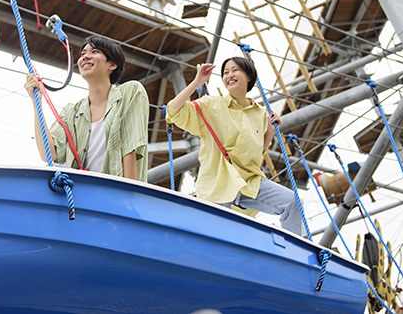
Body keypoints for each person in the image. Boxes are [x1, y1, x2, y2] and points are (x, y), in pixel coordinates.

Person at [165, 57, 304, 236]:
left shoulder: (261, 114)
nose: (229, 75)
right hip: (217, 183)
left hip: (249, 182)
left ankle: (294, 249)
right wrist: (197, 82)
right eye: (225, 72)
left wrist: (270, 132)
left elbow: (255, 152)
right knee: (220, 237)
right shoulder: (211, 105)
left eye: (235, 70)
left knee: (292, 202)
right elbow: (173, 110)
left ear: (249, 76)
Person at [25, 35, 149, 182]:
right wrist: (36, 102)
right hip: (81, 192)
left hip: (116, 191)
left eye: (94, 51)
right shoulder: (71, 112)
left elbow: (130, 147)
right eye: (83, 53)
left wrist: (130, 191)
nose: (85, 57)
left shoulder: (130, 91)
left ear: (112, 64)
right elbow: (49, 154)